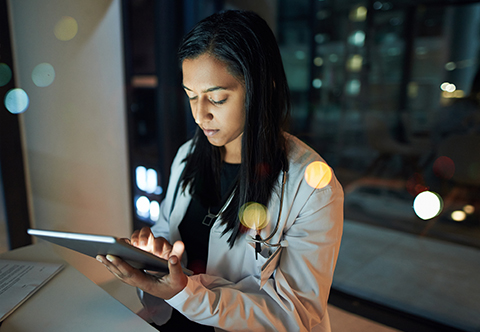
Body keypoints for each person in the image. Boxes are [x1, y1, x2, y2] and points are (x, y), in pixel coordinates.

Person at [97, 10, 343, 332]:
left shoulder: (311, 186)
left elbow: (295, 314)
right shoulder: (188, 156)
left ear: (261, 89)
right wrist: (154, 252)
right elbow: (167, 228)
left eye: (216, 98)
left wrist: (187, 291)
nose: (200, 116)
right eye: (191, 97)